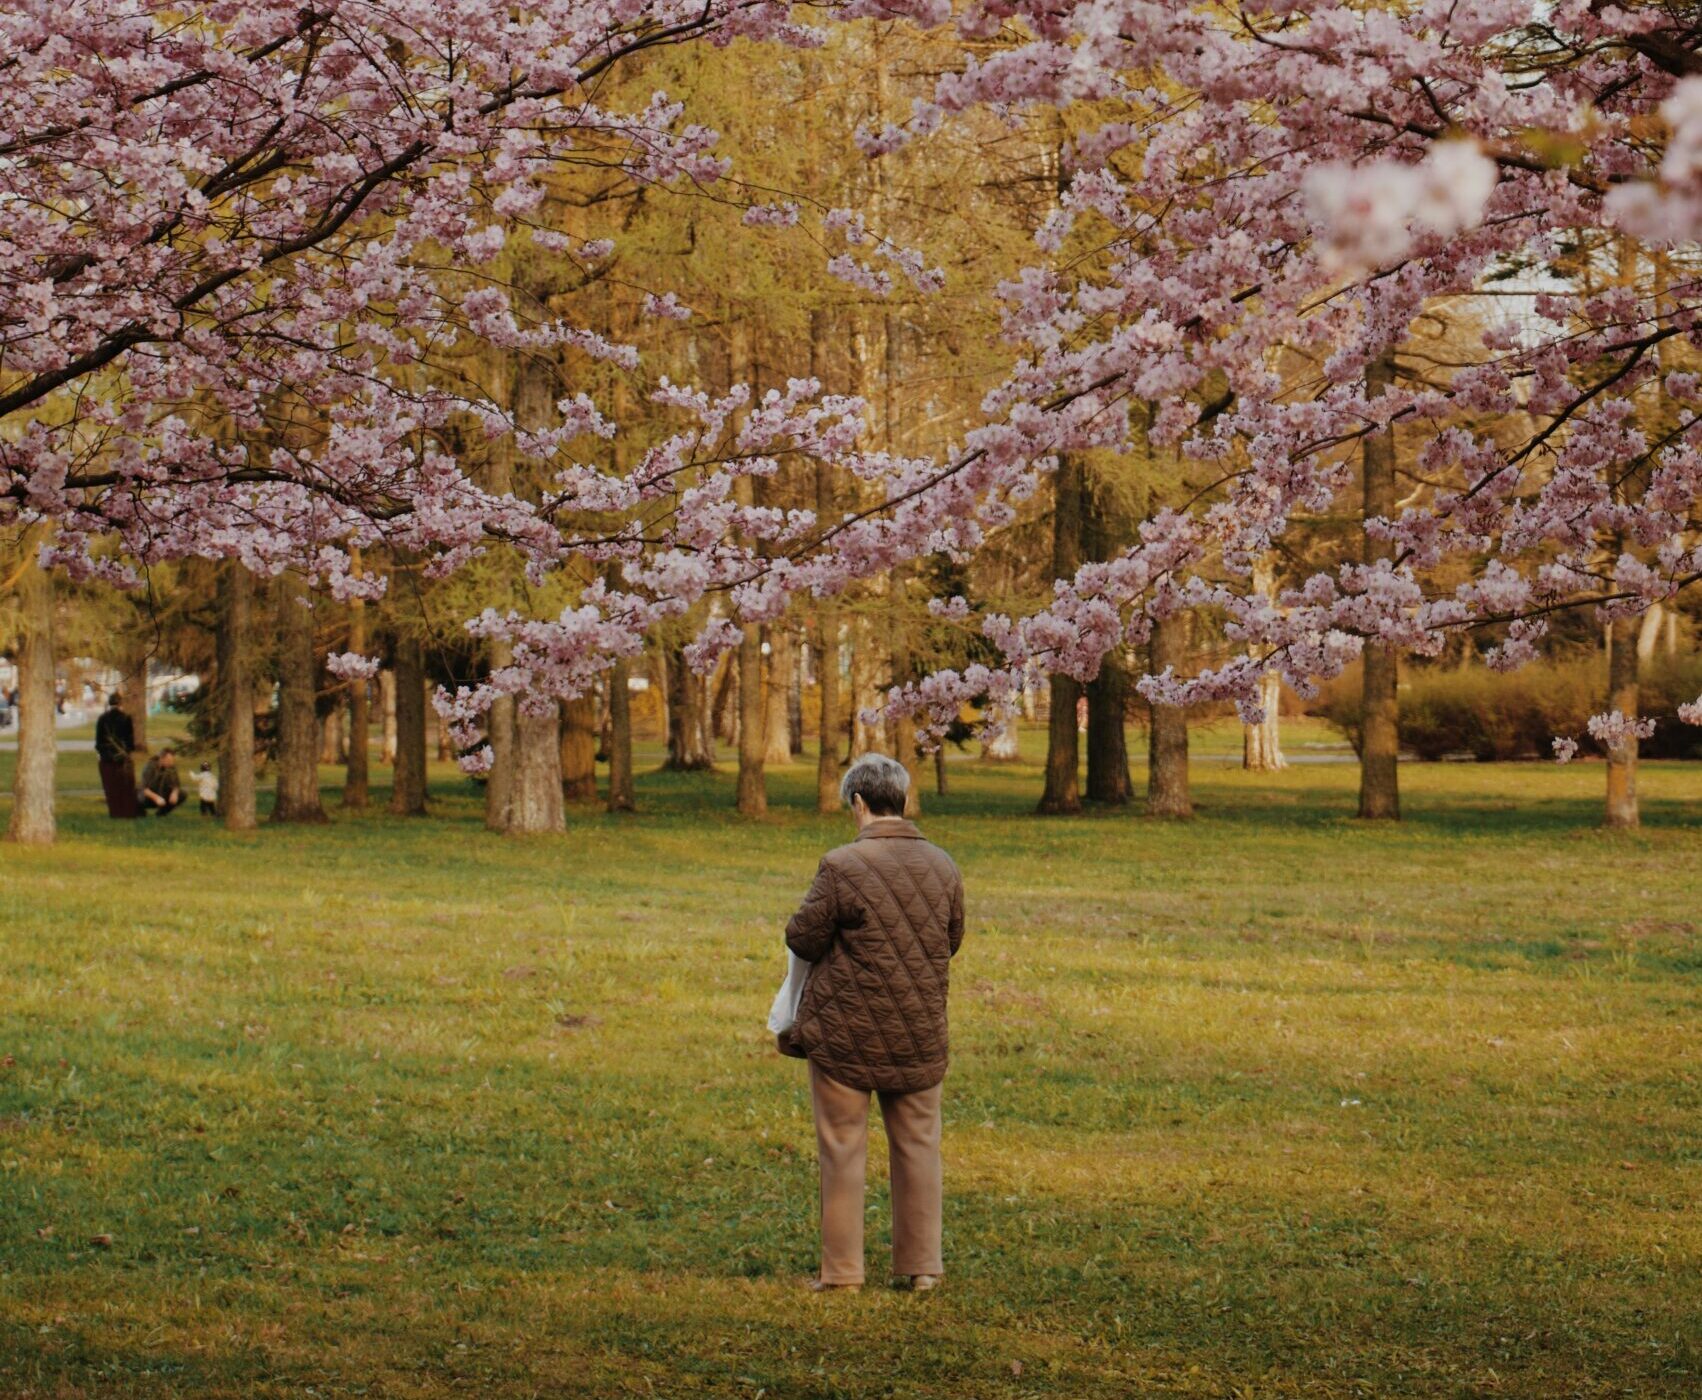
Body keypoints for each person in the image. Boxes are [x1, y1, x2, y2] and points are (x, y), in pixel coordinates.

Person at [778, 752, 966, 1294]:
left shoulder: (841, 866)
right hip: (919, 1029)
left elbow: (803, 937)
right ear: (901, 800)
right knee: (919, 1144)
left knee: (842, 1145)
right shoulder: (944, 865)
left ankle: (841, 1275)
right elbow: (951, 940)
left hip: (846, 1031)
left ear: (858, 803)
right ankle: (922, 1266)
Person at [94, 692, 140, 818]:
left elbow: (98, 742)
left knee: (111, 788)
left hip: (107, 760)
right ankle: (127, 812)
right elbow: (130, 742)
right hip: (123, 759)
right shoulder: (126, 718)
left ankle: (115, 812)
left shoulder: (102, 719)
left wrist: (105, 754)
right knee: (125, 787)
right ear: (121, 703)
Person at [138, 747, 184, 816]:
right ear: (161, 759)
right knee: (140, 801)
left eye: (172, 760)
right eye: (169, 760)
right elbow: (144, 788)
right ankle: (140, 810)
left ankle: (162, 813)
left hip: (162, 793)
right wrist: (156, 798)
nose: (171, 763)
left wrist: (174, 793)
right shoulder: (149, 767)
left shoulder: (172, 767)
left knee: (182, 794)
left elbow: (176, 784)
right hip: (149, 795)